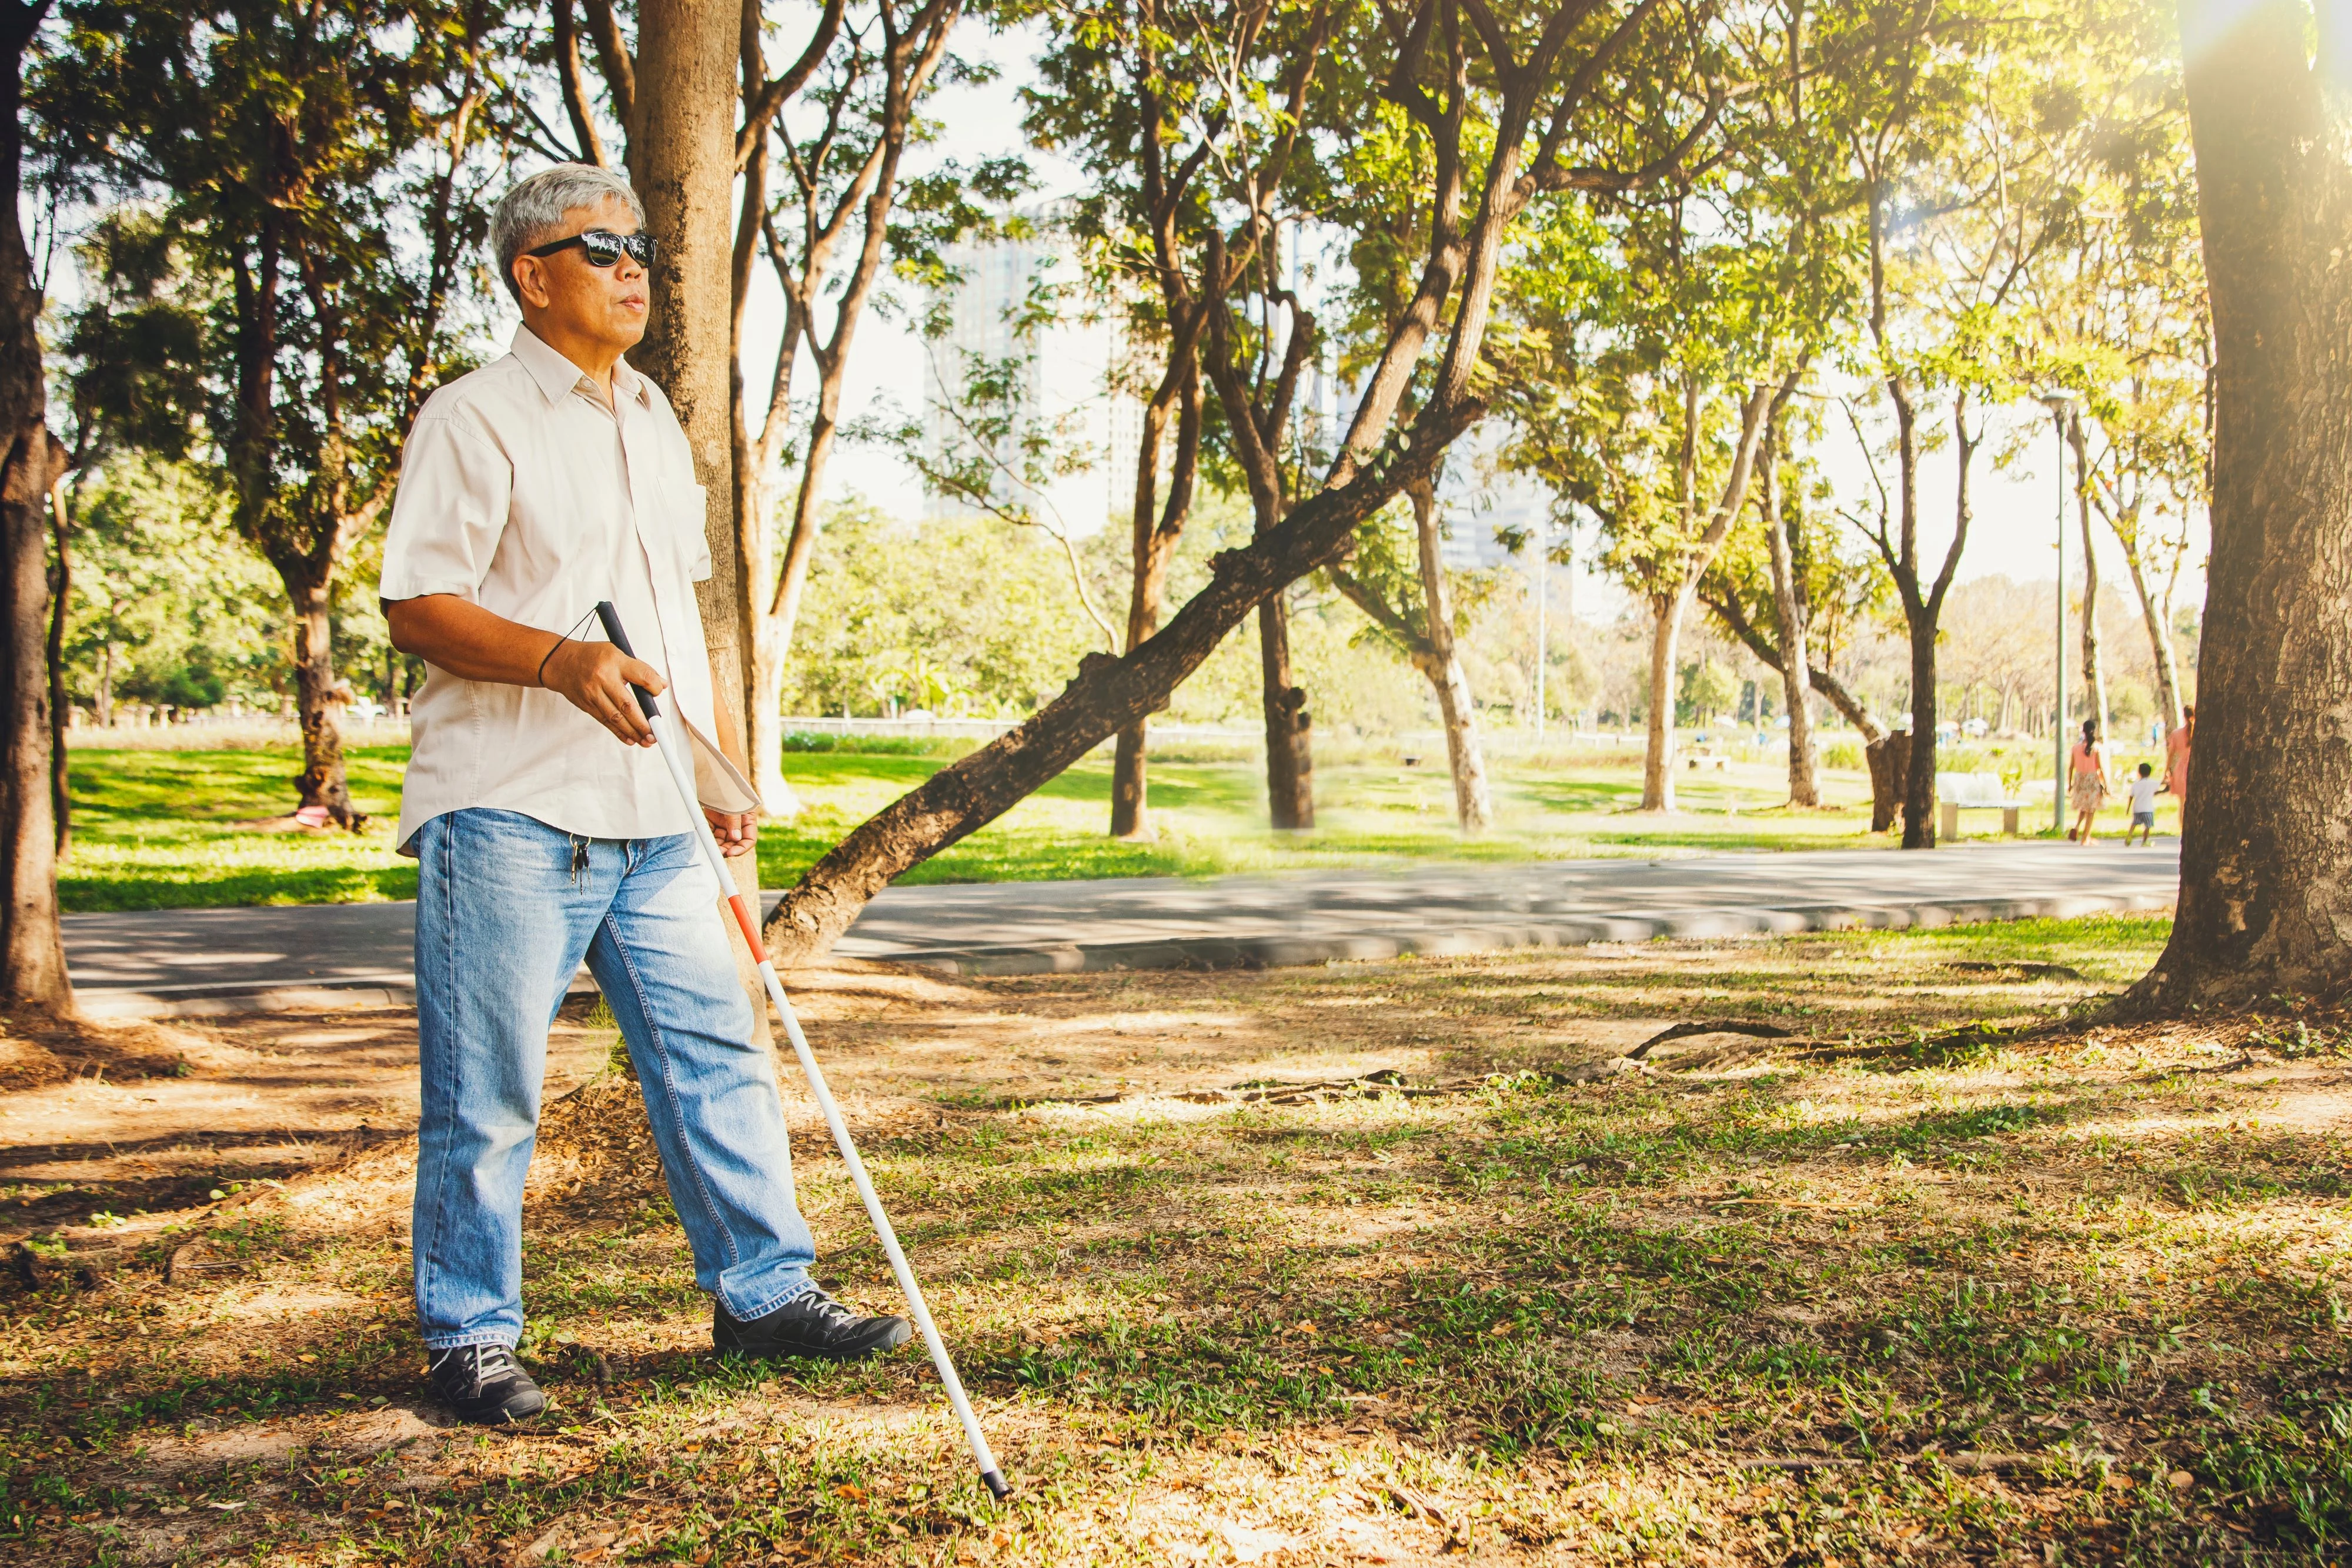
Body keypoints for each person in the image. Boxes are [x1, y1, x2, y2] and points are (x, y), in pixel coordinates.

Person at [377, 164, 910, 1426]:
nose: (634, 266)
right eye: (600, 247)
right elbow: (417, 604)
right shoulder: (473, 416)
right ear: (531, 275)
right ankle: (468, 1339)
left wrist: (715, 770)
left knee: (715, 1057)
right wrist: (561, 659)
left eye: (643, 248)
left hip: (659, 812)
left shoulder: (658, 417)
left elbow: (675, 609)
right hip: (509, 804)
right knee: (490, 1085)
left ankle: (762, 1296)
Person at [2067, 718, 2113, 846]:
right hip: (2092, 779)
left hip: (2079, 779)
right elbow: (2100, 767)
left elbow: (2071, 767)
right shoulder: (2096, 748)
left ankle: (2077, 827)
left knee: (2083, 806)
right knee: (2091, 809)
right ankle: (2085, 838)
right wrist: (2106, 784)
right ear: (2093, 731)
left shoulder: (2076, 748)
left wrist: (2070, 783)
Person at [2164, 704, 2194, 810]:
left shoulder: (2176, 734)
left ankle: (2182, 825)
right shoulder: (2198, 733)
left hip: (2181, 769)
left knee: (2182, 803)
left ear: (2184, 716)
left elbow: (2171, 754)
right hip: (2196, 768)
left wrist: (2167, 770)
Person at [2127, 761, 2160, 846]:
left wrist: (2128, 809)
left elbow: (2131, 796)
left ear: (2139, 772)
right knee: (2147, 826)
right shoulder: (2153, 783)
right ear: (2150, 772)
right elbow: (2160, 787)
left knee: (2134, 823)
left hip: (2137, 808)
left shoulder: (2135, 784)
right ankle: (2145, 841)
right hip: (2148, 808)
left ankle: (2129, 836)